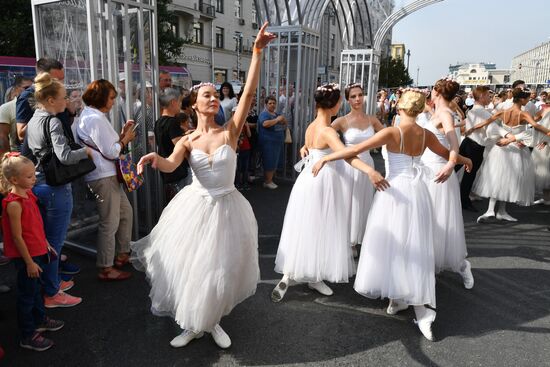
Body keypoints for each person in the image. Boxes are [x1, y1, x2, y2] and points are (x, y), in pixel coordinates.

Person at [132, 22, 276, 349]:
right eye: (207, 95)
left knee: (221, 269)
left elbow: (249, 94)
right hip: (195, 207)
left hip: (228, 207)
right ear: (194, 104)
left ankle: (212, 322)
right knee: (194, 268)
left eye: (215, 95)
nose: (213, 98)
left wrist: (256, 53)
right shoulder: (186, 140)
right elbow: (171, 165)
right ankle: (193, 323)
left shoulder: (230, 132)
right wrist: (155, 157)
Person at [313, 89, 472, 341]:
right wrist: (463, 159)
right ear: (419, 111)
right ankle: (402, 298)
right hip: (418, 193)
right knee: (414, 244)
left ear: (399, 109)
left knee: (393, 244)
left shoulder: (391, 132)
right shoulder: (426, 134)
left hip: (393, 192)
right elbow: (445, 154)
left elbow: (353, 150)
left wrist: (325, 158)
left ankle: (406, 300)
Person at [271, 83, 379, 303]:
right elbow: (347, 155)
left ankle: (300, 274)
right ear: (335, 104)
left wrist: (308, 151)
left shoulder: (312, 125)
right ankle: (310, 275)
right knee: (320, 227)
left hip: (307, 181)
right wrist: (369, 170)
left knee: (306, 226)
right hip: (323, 181)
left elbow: (309, 147)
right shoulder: (328, 130)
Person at [27, 73, 90, 308]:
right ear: (51, 100)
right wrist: (86, 152)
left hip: (40, 184)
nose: (68, 102)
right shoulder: (53, 121)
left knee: (46, 240)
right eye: (64, 98)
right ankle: (52, 292)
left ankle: (51, 282)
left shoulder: (34, 118)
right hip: (56, 187)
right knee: (55, 242)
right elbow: (64, 156)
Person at [0, 153, 65, 351]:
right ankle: (27, 334)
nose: (34, 178)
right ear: (14, 180)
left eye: (33, 174)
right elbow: (17, 237)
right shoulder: (13, 204)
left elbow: (35, 224)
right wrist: (29, 262)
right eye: (29, 176)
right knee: (27, 295)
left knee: (36, 290)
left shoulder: (29, 195)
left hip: (37, 251)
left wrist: (45, 242)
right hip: (27, 256)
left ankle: (39, 320)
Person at [77, 79, 136, 281]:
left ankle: (121, 253)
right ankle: (106, 266)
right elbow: (111, 151)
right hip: (103, 175)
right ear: (101, 97)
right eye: (111, 98)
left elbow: (106, 146)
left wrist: (121, 136)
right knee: (110, 222)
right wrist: (125, 139)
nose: (112, 102)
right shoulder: (95, 118)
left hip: (106, 174)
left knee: (125, 213)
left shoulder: (91, 116)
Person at [467, 88, 550, 222]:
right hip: (515, 149)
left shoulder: (503, 112)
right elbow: (536, 126)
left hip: (500, 149)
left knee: (497, 178)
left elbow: (486, 122)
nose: (529, 100)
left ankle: (491, 210)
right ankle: (501, 211)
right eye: (527, 98)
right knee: (509, 180)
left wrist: (472, 128)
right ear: (522, 99)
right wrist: (548, 133)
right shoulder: (524, 114)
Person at [421, 79, 474, 288]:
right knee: (428, 221)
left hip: (438, 172)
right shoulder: (435, 112)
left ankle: (462, 266)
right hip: (426, 170)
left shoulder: (445, 114)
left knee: (441, 221)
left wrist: (451, 164)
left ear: (436, 92)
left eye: (432, 91)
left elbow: (454, 144)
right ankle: (429, 265)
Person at [331, 83, 384, 255]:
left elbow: (391, 138)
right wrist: (308, 146)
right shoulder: (341, 121)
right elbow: (322, 134)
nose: (357, 99)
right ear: (347, 100)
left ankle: (361, 237)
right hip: (348, 166)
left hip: (368, 164)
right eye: (353, 96)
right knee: (348, 201)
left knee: (364, 202)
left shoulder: (372, 120)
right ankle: (346, 240)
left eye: (360, 95)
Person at [457, 86, 498, 211]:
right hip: (475, 146)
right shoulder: (483, 112)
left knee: (458, 170)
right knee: (469, 175)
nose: (489, 98)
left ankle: (462, 199)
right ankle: (463, 201)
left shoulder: (474, 110)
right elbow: (492, 130)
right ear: (481, 96)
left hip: (469, 143)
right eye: (487, 96)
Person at [154, 88, 189, 201]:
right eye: (179, 102)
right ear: (173, 102)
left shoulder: (158, 122)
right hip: (177, 170)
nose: (180, 105)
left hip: (166, 170)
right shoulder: (172, 122)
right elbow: (179, 144)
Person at [258, 96, 287, 189]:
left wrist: (282, 119)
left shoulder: (276, 113)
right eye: (270, 103)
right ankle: (268, 181)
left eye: (274, 103)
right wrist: (278, 120)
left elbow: (284, 122)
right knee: (269, 161)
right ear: (266, 104)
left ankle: (270, 180)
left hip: (276, 143)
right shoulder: (264, 114)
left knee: (274, 161)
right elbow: (265, 124)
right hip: (268, 143)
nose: (272, 105)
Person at [0, 77, 33, 155]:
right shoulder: (6, 108)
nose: (30, 91)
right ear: (16, 89)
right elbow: (2, 138)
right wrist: (8, 160)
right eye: (26, 88)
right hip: (17, 156)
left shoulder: (39, 107)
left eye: (32, 88)